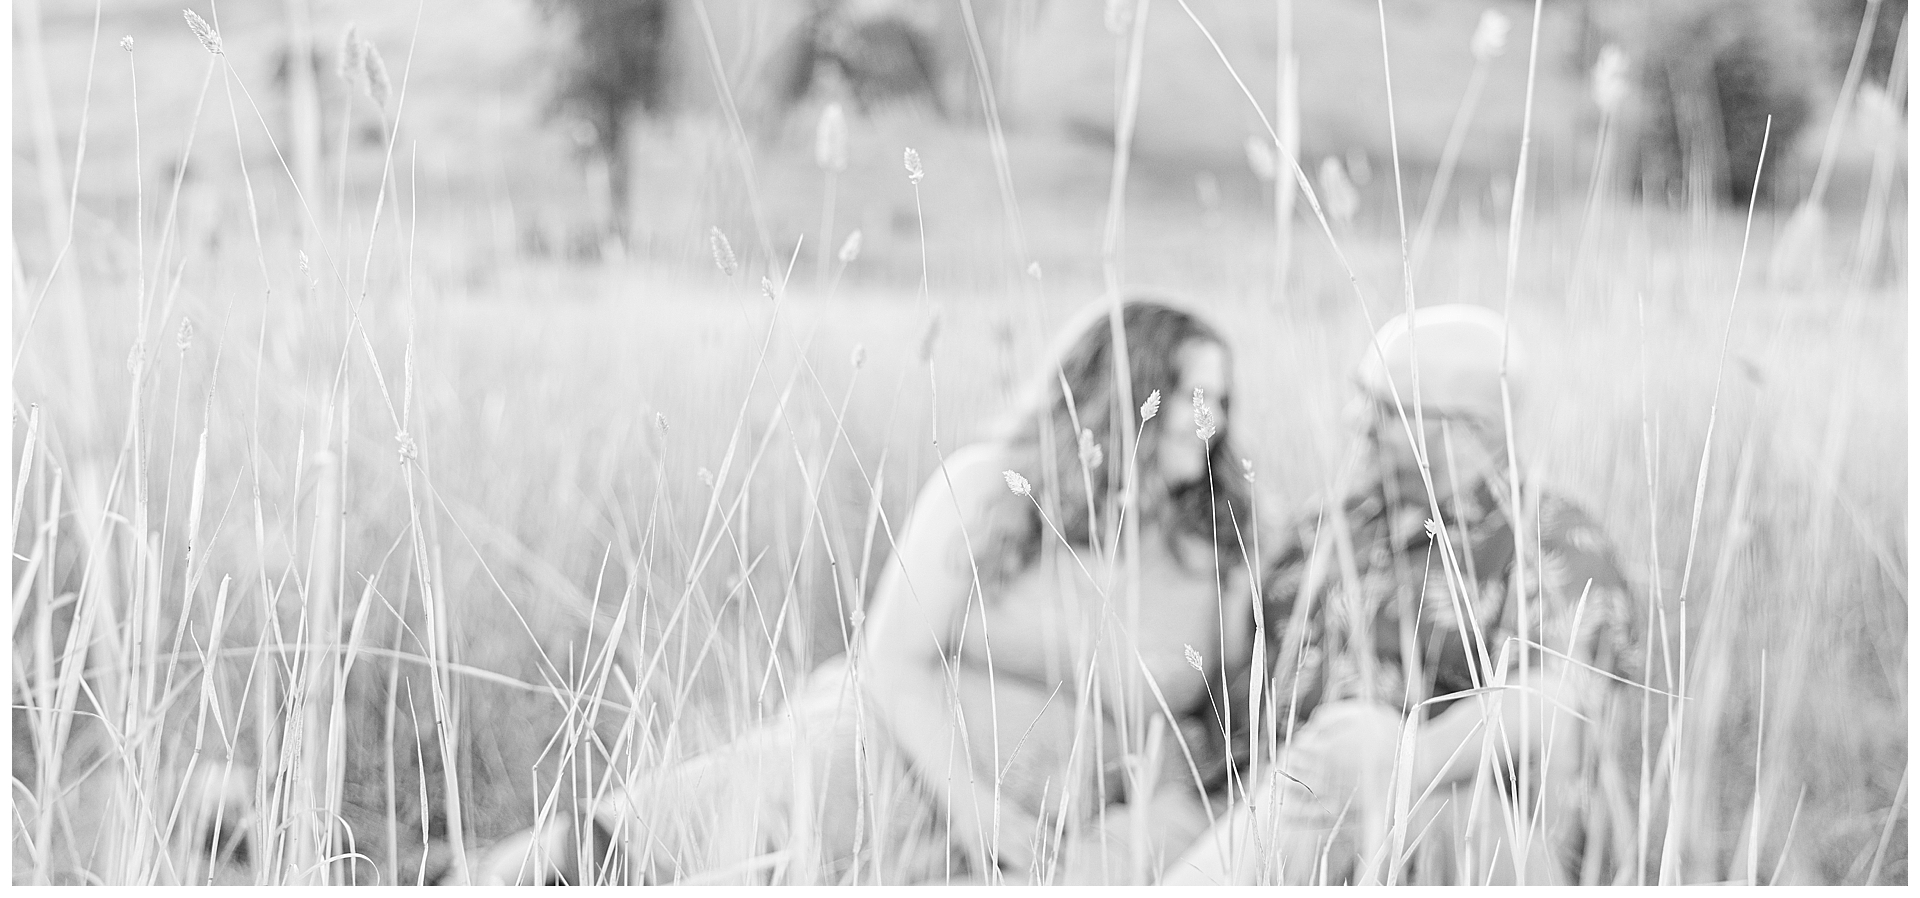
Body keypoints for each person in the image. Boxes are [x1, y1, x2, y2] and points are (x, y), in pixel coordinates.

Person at [466, 294, 1256, 885]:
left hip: (1036, 806)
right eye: (1192, 394)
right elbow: (894, 660)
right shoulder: (993, 489)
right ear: (1128, 387)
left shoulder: (1212, 559)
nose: (1209, 419)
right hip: (889, 749)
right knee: (673, 842)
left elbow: (1207, 728)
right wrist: (973, 808)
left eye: (1221, 402)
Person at [1166, 304, 1640, 886]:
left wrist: (1391, 765)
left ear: (1473, 432)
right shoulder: (1334, 520)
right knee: (1125, 836)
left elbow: (1552, 702)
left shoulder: (1550, 540)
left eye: (1386, 408)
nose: (1354, 419)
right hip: (1258, 803)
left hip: (1453, 831)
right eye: (1359, 396)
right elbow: (1237, 656)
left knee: (1357, 739)